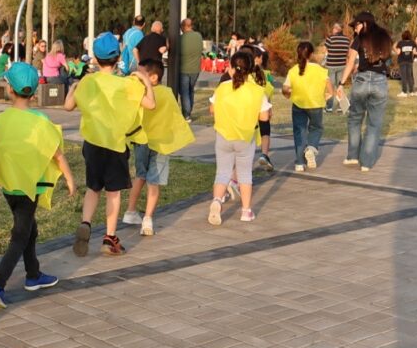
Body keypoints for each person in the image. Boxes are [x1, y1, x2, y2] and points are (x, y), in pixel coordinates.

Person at [0, 63, 74, 308]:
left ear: (9, 89)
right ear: (34, 93)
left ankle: (33, 275)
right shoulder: (40, 120)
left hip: (8, 187)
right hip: (30, 188)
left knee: (29, 229)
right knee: (20, 235)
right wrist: (69, 178)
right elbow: (56, 154)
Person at [64, 32, 155, 257]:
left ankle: (86, 222)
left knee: (93, 188)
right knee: (113, 193)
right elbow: (150, 105)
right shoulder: (126, 85)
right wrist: (145, 81)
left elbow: (68, 106)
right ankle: (109, 237)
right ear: (118, 58)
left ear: (95, 58)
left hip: (92, 144)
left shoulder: (88, 82)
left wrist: (73, 89)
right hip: (115, 146)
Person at [122, 58, 195, 236]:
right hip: (161, 144)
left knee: (140, 176)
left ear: (153, 77)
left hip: (141, 141)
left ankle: (130, 211)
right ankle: (148, 218)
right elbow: (174, 118)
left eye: (140, 74)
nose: (137, 77)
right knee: (154, 181)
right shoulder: (167, 93)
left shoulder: (141, 94)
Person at [207, 50, 270, 225]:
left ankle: (217, 200)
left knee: (222, 172)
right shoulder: (257, 90)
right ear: (250, 68)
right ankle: (246, 211)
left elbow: (212, 109)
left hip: (223, 135)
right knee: (244, 174)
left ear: (231, 67)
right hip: (245, 138)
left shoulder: (223, 87)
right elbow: (264, 117)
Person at [337, 11, 393, 171]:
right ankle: (367, 163)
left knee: (355, 119)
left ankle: (353, 156)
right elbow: (388, 59)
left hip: (362, 81)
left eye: (356, 25)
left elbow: (349, 62)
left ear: (365, 23)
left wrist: (341, 83)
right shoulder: (385, 37)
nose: (355, 29)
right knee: (374, 124)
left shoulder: (359, 38)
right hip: (380, 81)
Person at [282, 42, 333, 172]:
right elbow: (328, 84)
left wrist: (288, 94)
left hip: (298, 104)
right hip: (316, 104)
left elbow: (285, 88)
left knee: (299, 132)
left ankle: (299, 163)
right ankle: (311, 148)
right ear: (311, 54)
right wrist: (329, 94)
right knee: (316, 128)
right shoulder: (318, 69)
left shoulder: (293, 70)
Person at [322, 23, 352, 113]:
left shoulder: (330, 38)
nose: (332, 30)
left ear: (336, 29)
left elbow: (325, 50)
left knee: (330, 87)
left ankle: (329, 107)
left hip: (331, 65)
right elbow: (348, 53)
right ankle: (341, 107)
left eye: (333, 28)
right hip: (342, 65)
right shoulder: (347, 39)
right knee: (340, 86)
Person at [178, 18, 203, 121]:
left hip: (183, 69)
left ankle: (186, 114)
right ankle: (189, 111)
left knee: (184, 92)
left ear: (184, 27)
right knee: (190, 91)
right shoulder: (198, 36)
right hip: (196, 69)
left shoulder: (181, 39)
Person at [394, 31, 417, 97]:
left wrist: (394, 48)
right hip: (409, 61)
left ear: (403, 36)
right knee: (410, 76)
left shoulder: (401, 43)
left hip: (402, 61)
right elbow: (414, 52)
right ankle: (411, 91)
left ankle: (404, 92)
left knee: (404, 77)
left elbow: (398, 53)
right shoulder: (412, 42)